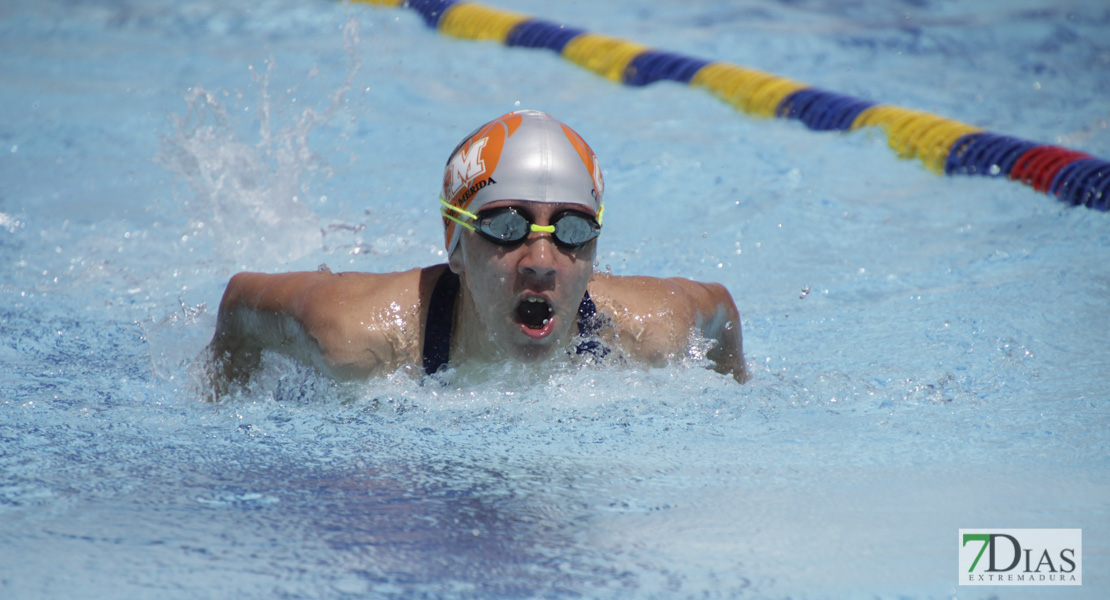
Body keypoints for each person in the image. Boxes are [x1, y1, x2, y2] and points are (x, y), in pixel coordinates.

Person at [204, 110, 749, 393]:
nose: (540, 259)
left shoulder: (650, 332)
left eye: (573, 230)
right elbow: (240, 301)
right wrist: (219, 406)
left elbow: (721, 312)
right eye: (507, 226)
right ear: (455, 244)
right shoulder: (358, 336)